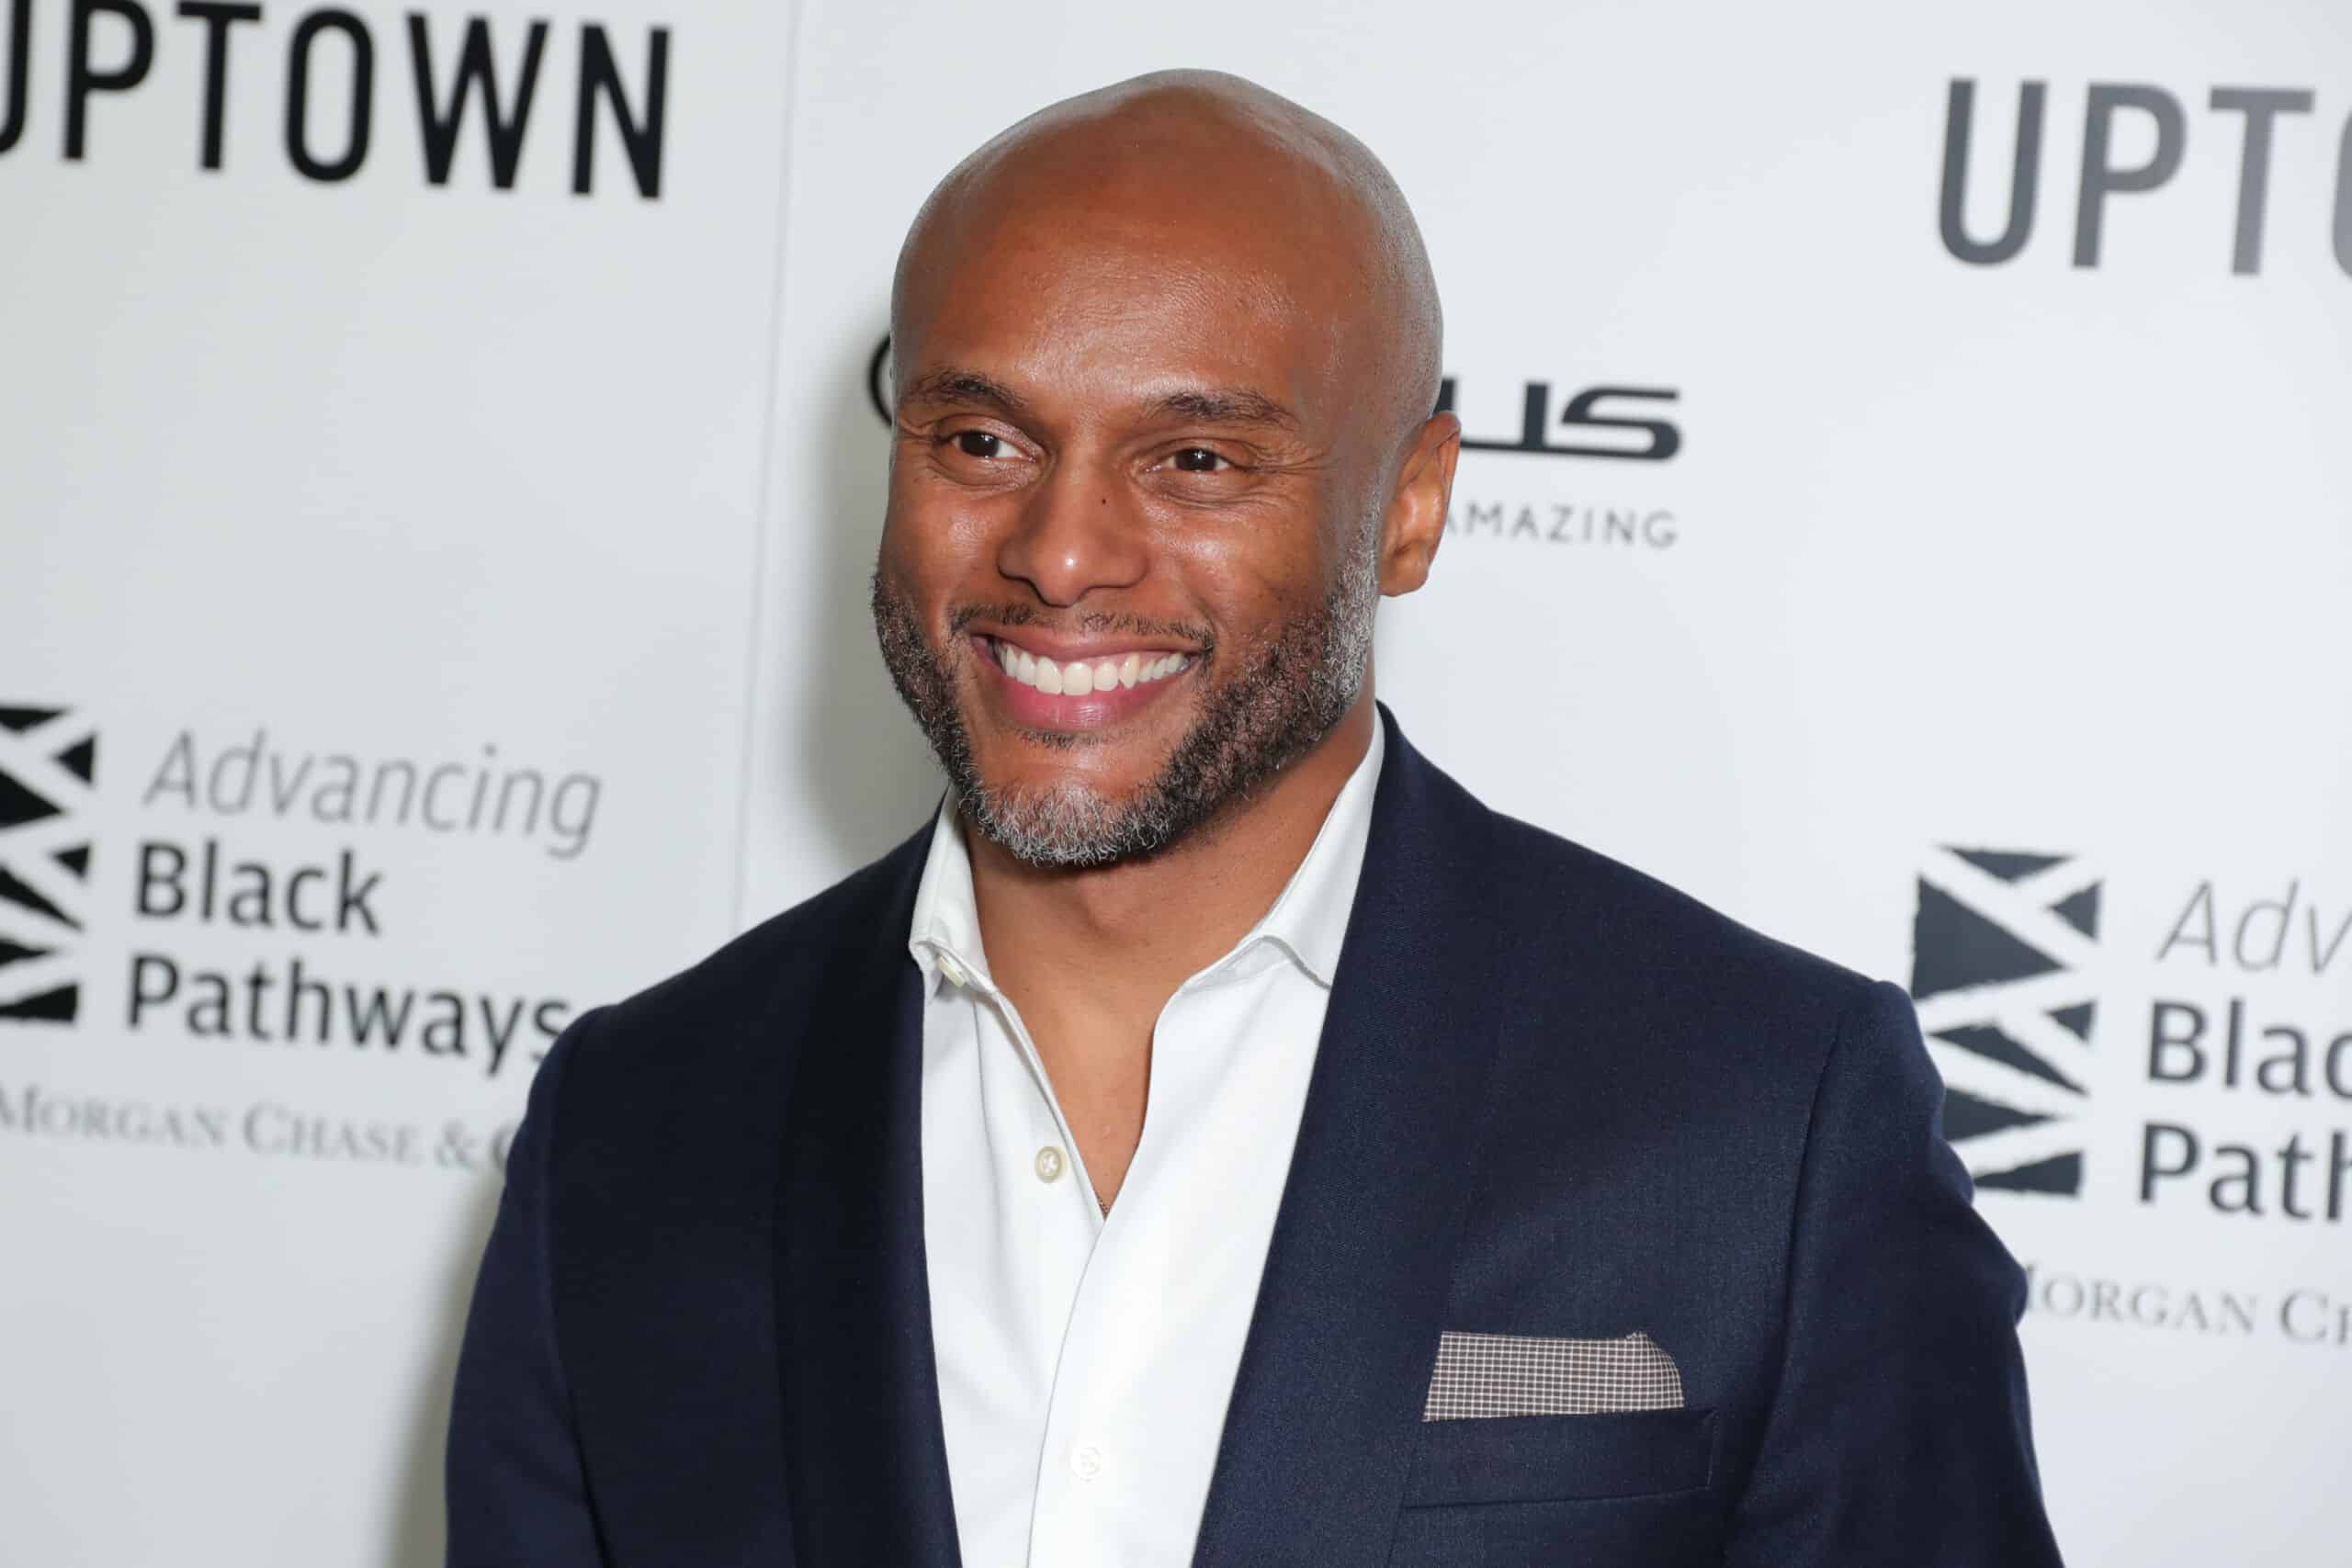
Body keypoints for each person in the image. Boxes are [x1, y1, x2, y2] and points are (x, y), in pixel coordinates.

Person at [445, 69, 2064, 1568]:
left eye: (1199, 458)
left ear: (1411, 506)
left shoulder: (1767, 1122)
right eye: (982, 440)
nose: (1061, 553)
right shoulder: (636, 1134)